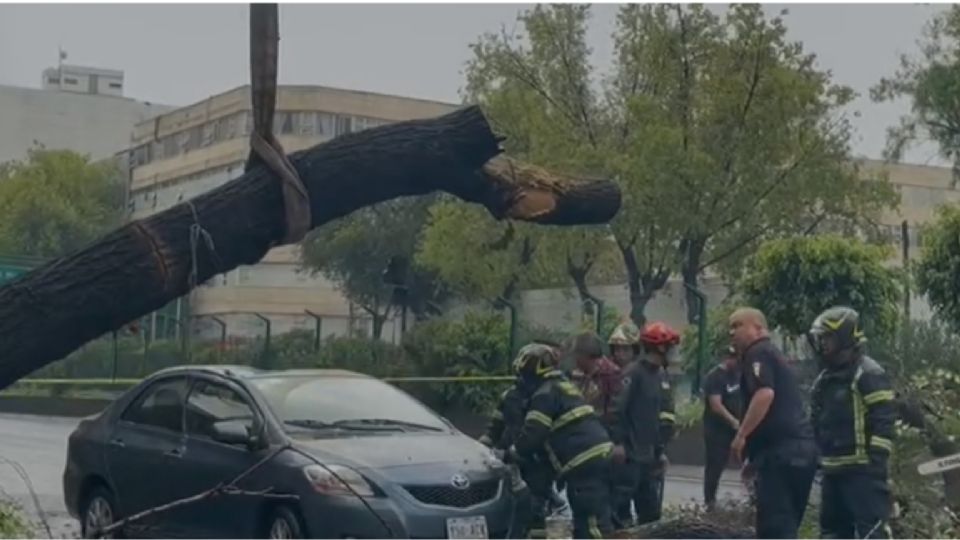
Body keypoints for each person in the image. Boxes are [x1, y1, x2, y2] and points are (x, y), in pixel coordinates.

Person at [729, 307, 818, 539]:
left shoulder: (757, 352)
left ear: (759, 328)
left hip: (781, 454)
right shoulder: (774, 354)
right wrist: (754, 458)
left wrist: (741, 436)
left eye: (738, 325)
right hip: (800, 452)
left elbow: (764, 394)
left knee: (774, 528)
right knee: (786, 524)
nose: (732, 332)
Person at [511, 342, 614, 540]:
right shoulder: (564, 386)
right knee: (596, 520)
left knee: (591, 526)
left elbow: (533, 435)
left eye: (522, 374)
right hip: (598, 458)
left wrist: (511, 452)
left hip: (584, 464)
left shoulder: (543, 394)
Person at [808, 307, 896, 539]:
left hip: (863, 472)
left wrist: (876, 465)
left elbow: (884, 420)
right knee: (832, 534)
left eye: (827, 337)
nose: (822, 343)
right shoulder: (823, 379)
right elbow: (815, 421)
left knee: (872, 533)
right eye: (821, 338)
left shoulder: (868, 373)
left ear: (844, 337)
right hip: (832, 470)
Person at [608, 321, 678, 527]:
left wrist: (660, 451)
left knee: (651, 514)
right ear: (661, 347)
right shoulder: (633, 373)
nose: (673, 353)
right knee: (620, 512)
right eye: (671, 347)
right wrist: (618, 443)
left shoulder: (661, 375)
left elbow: (662, 418)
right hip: (629, 456)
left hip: (649, 458)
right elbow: (616, 410)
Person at [701, 346, 743, 510]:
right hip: (717, 430)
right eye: (731, 357)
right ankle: (709, 501)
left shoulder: (739, 375)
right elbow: (716, 405)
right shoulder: (715, 377)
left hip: (737, 428)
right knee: (715, 465)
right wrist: (733, 422)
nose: (734, 361)